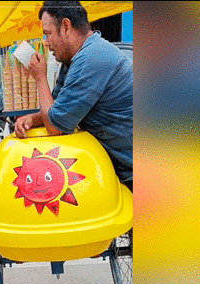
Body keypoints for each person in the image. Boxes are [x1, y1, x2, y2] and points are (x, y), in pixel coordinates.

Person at [14, 1, 133, 191]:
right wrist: (30, 118)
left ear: (66, 26)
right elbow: (54, 111)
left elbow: (54, 127)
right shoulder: (73, 61)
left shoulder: (91, 58)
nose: (46, 42)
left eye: (47, 33)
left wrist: (39, 78)